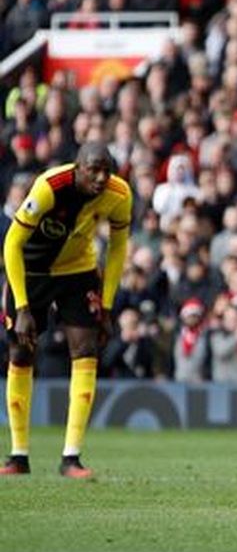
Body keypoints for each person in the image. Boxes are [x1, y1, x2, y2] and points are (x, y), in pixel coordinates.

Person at [1, 141, 132, 478]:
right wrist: (22, 305)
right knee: (20, 353)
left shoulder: (120, 193)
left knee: (87, 350)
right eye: (94, 170)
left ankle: (71, 457)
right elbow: (12, 244)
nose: (102, 177)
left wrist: (106, 306)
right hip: (32, 272)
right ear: (77, 168)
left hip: (78, 272)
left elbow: (118, 250)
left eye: (107, 170)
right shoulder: (49, 187)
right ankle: (18, 456)